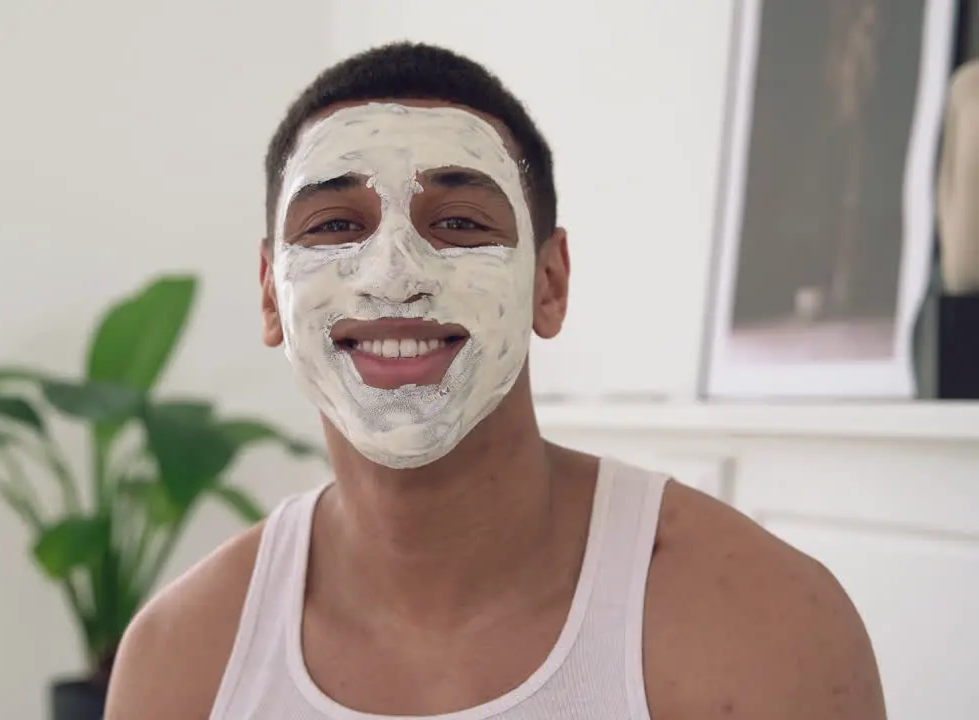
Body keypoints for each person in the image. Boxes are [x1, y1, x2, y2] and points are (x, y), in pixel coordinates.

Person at [105, 42, 886, 719]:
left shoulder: (760, 624)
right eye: (336, 225)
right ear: (273, 294)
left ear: (550, 283)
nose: (395, 278)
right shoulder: (184, 661)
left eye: (460, 225)